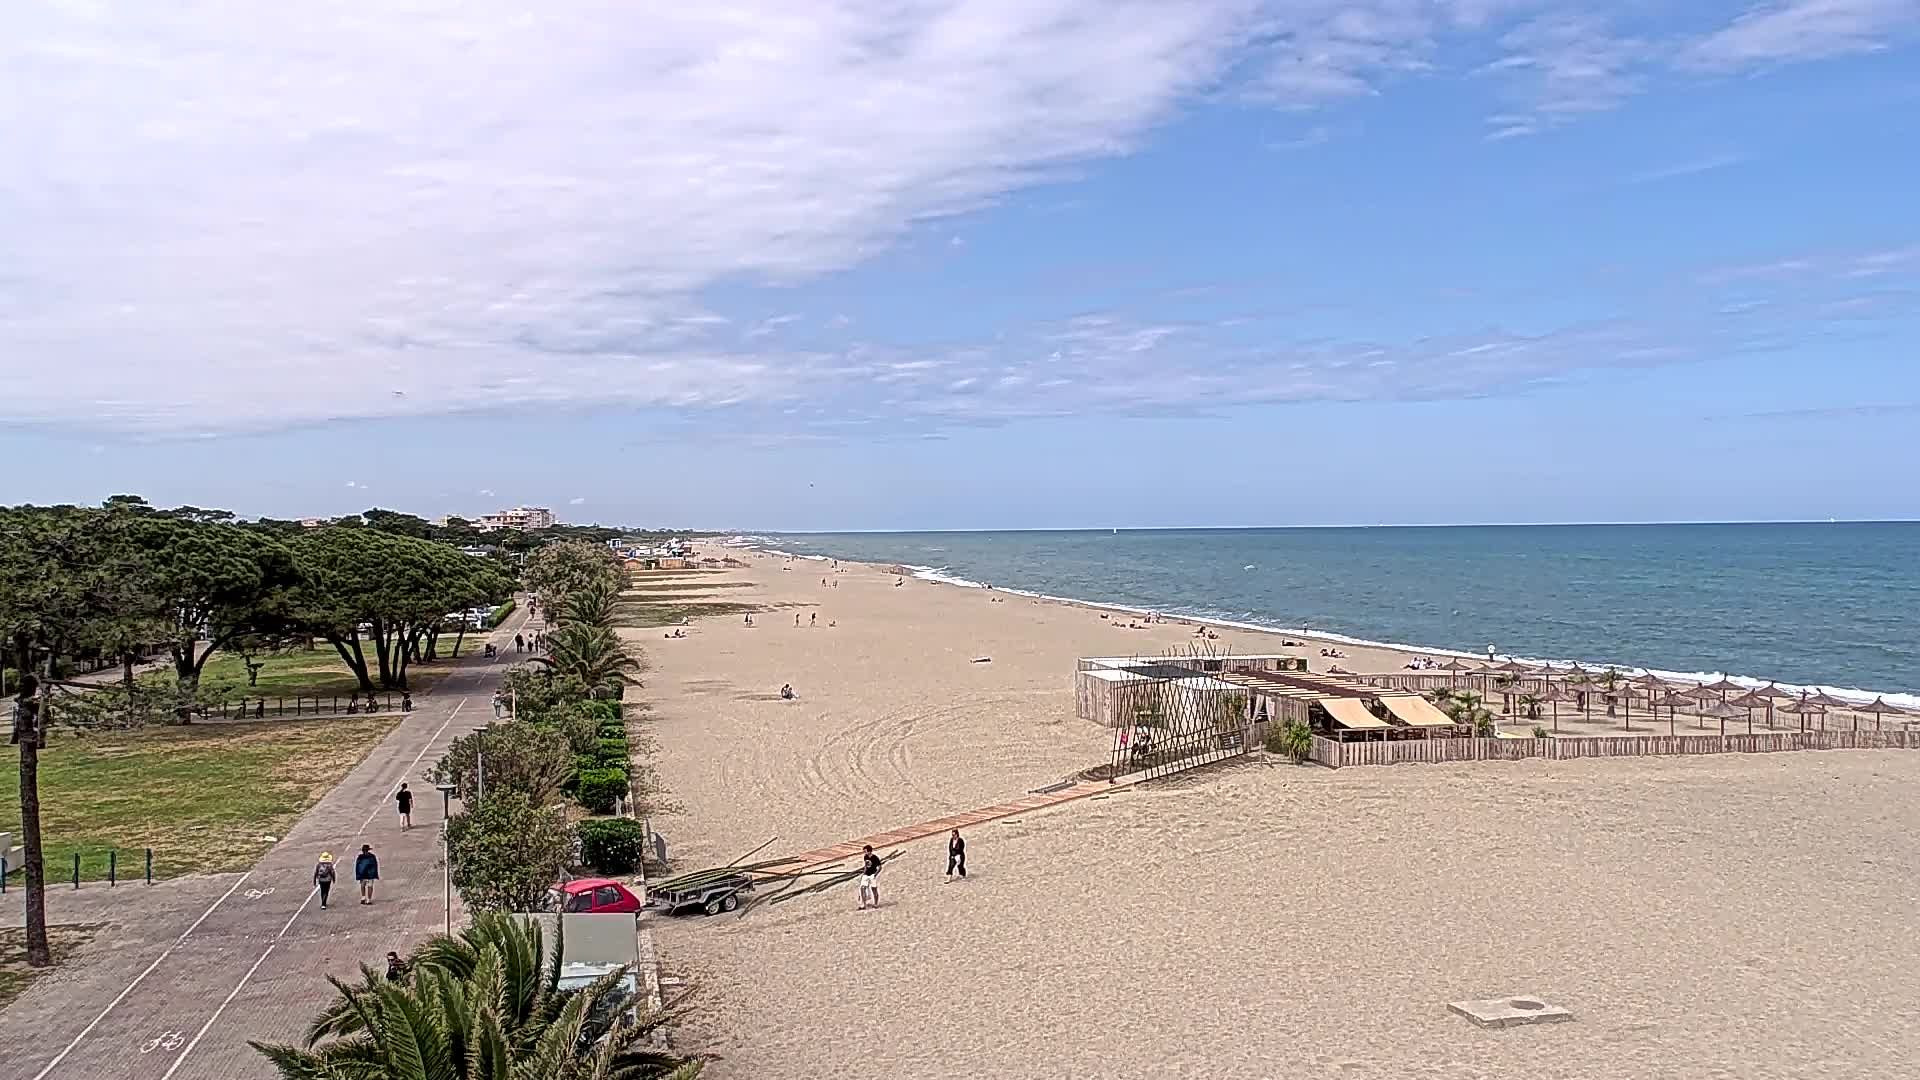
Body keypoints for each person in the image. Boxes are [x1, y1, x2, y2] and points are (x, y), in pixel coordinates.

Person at [858, 845, 882, 909]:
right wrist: (864, 872)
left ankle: (876, 904)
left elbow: (880, 867)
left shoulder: (875, 858)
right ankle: (863, 904)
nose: (864, 852)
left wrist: (875, 875)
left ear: (869, 851)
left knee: (874, 889)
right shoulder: (865, 857)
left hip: (872, 874)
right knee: (862, 888)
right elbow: (866, 865)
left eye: (865, 851)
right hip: (866, 874)